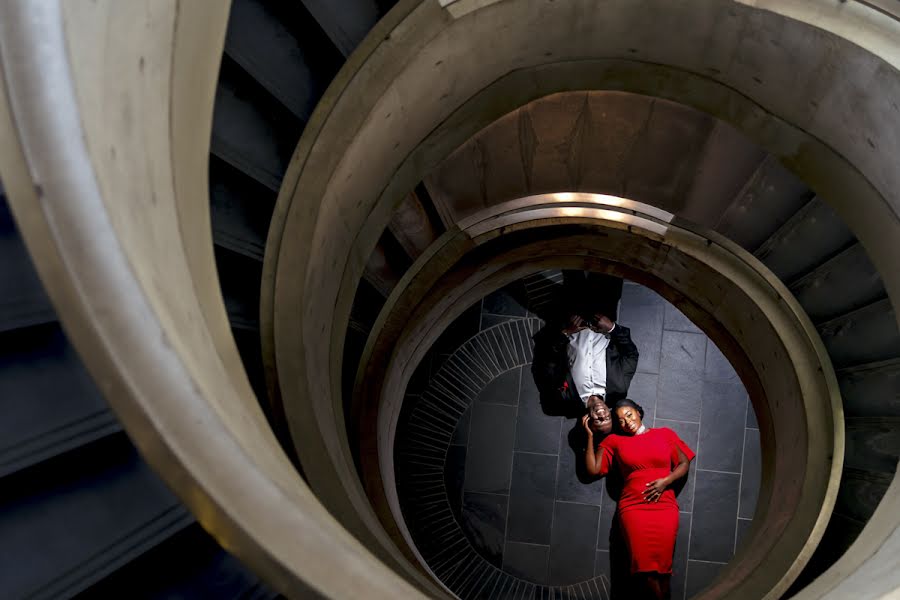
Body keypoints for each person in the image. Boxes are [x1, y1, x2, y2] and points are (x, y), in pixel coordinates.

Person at [583, 399, 695, 600]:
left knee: (663, 571)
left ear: (638, 412)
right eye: (621, 420)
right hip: (634, 510)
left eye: (629, 414)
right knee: (644, 571)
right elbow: (593, 469)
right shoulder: (614, 441)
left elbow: (684, 463)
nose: (626, 422)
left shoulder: (664, 434)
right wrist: (590, 436)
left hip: (664, 508)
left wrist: (665, 481)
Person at [531, 310, 639, 413]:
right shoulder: (619, 390)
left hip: (568, 319)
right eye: (607, 419)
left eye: (598, 421)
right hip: (602, 314)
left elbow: (546, 364)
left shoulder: (565, 399)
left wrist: (565, 332)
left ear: (586, 421)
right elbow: (631, 355)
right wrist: (612, 328)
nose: (602, 415)